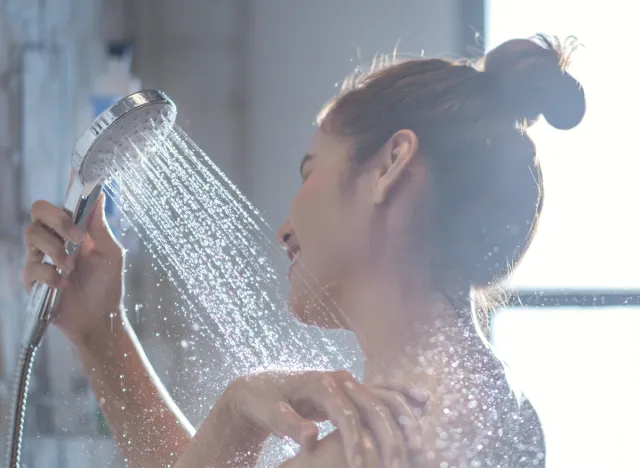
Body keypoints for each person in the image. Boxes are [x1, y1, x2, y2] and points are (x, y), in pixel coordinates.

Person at [21, 35, 585, 467]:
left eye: (310, 170)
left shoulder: (391, 439)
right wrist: (103, 330)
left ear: (389, 166)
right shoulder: (482, 409)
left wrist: (239, 411)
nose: (285, 228)